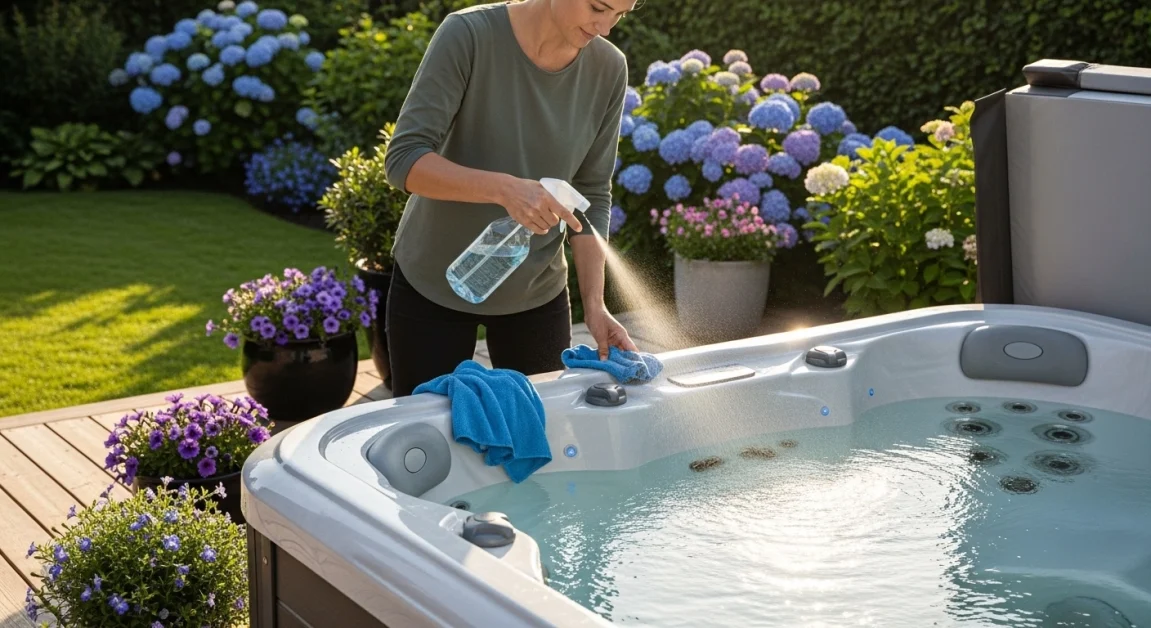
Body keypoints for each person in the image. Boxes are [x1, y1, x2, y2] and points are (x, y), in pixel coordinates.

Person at [382, 0, 641, 397]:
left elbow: (591, 192)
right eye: (597, 7)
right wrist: (506, 190)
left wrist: (595, 303)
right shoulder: (469, 35)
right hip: (433, 282)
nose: (604, 27)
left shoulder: (608, 68)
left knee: (538, 438)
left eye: (620, 16)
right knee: (426, 444)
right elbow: (405, 159)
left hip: (535, 291)